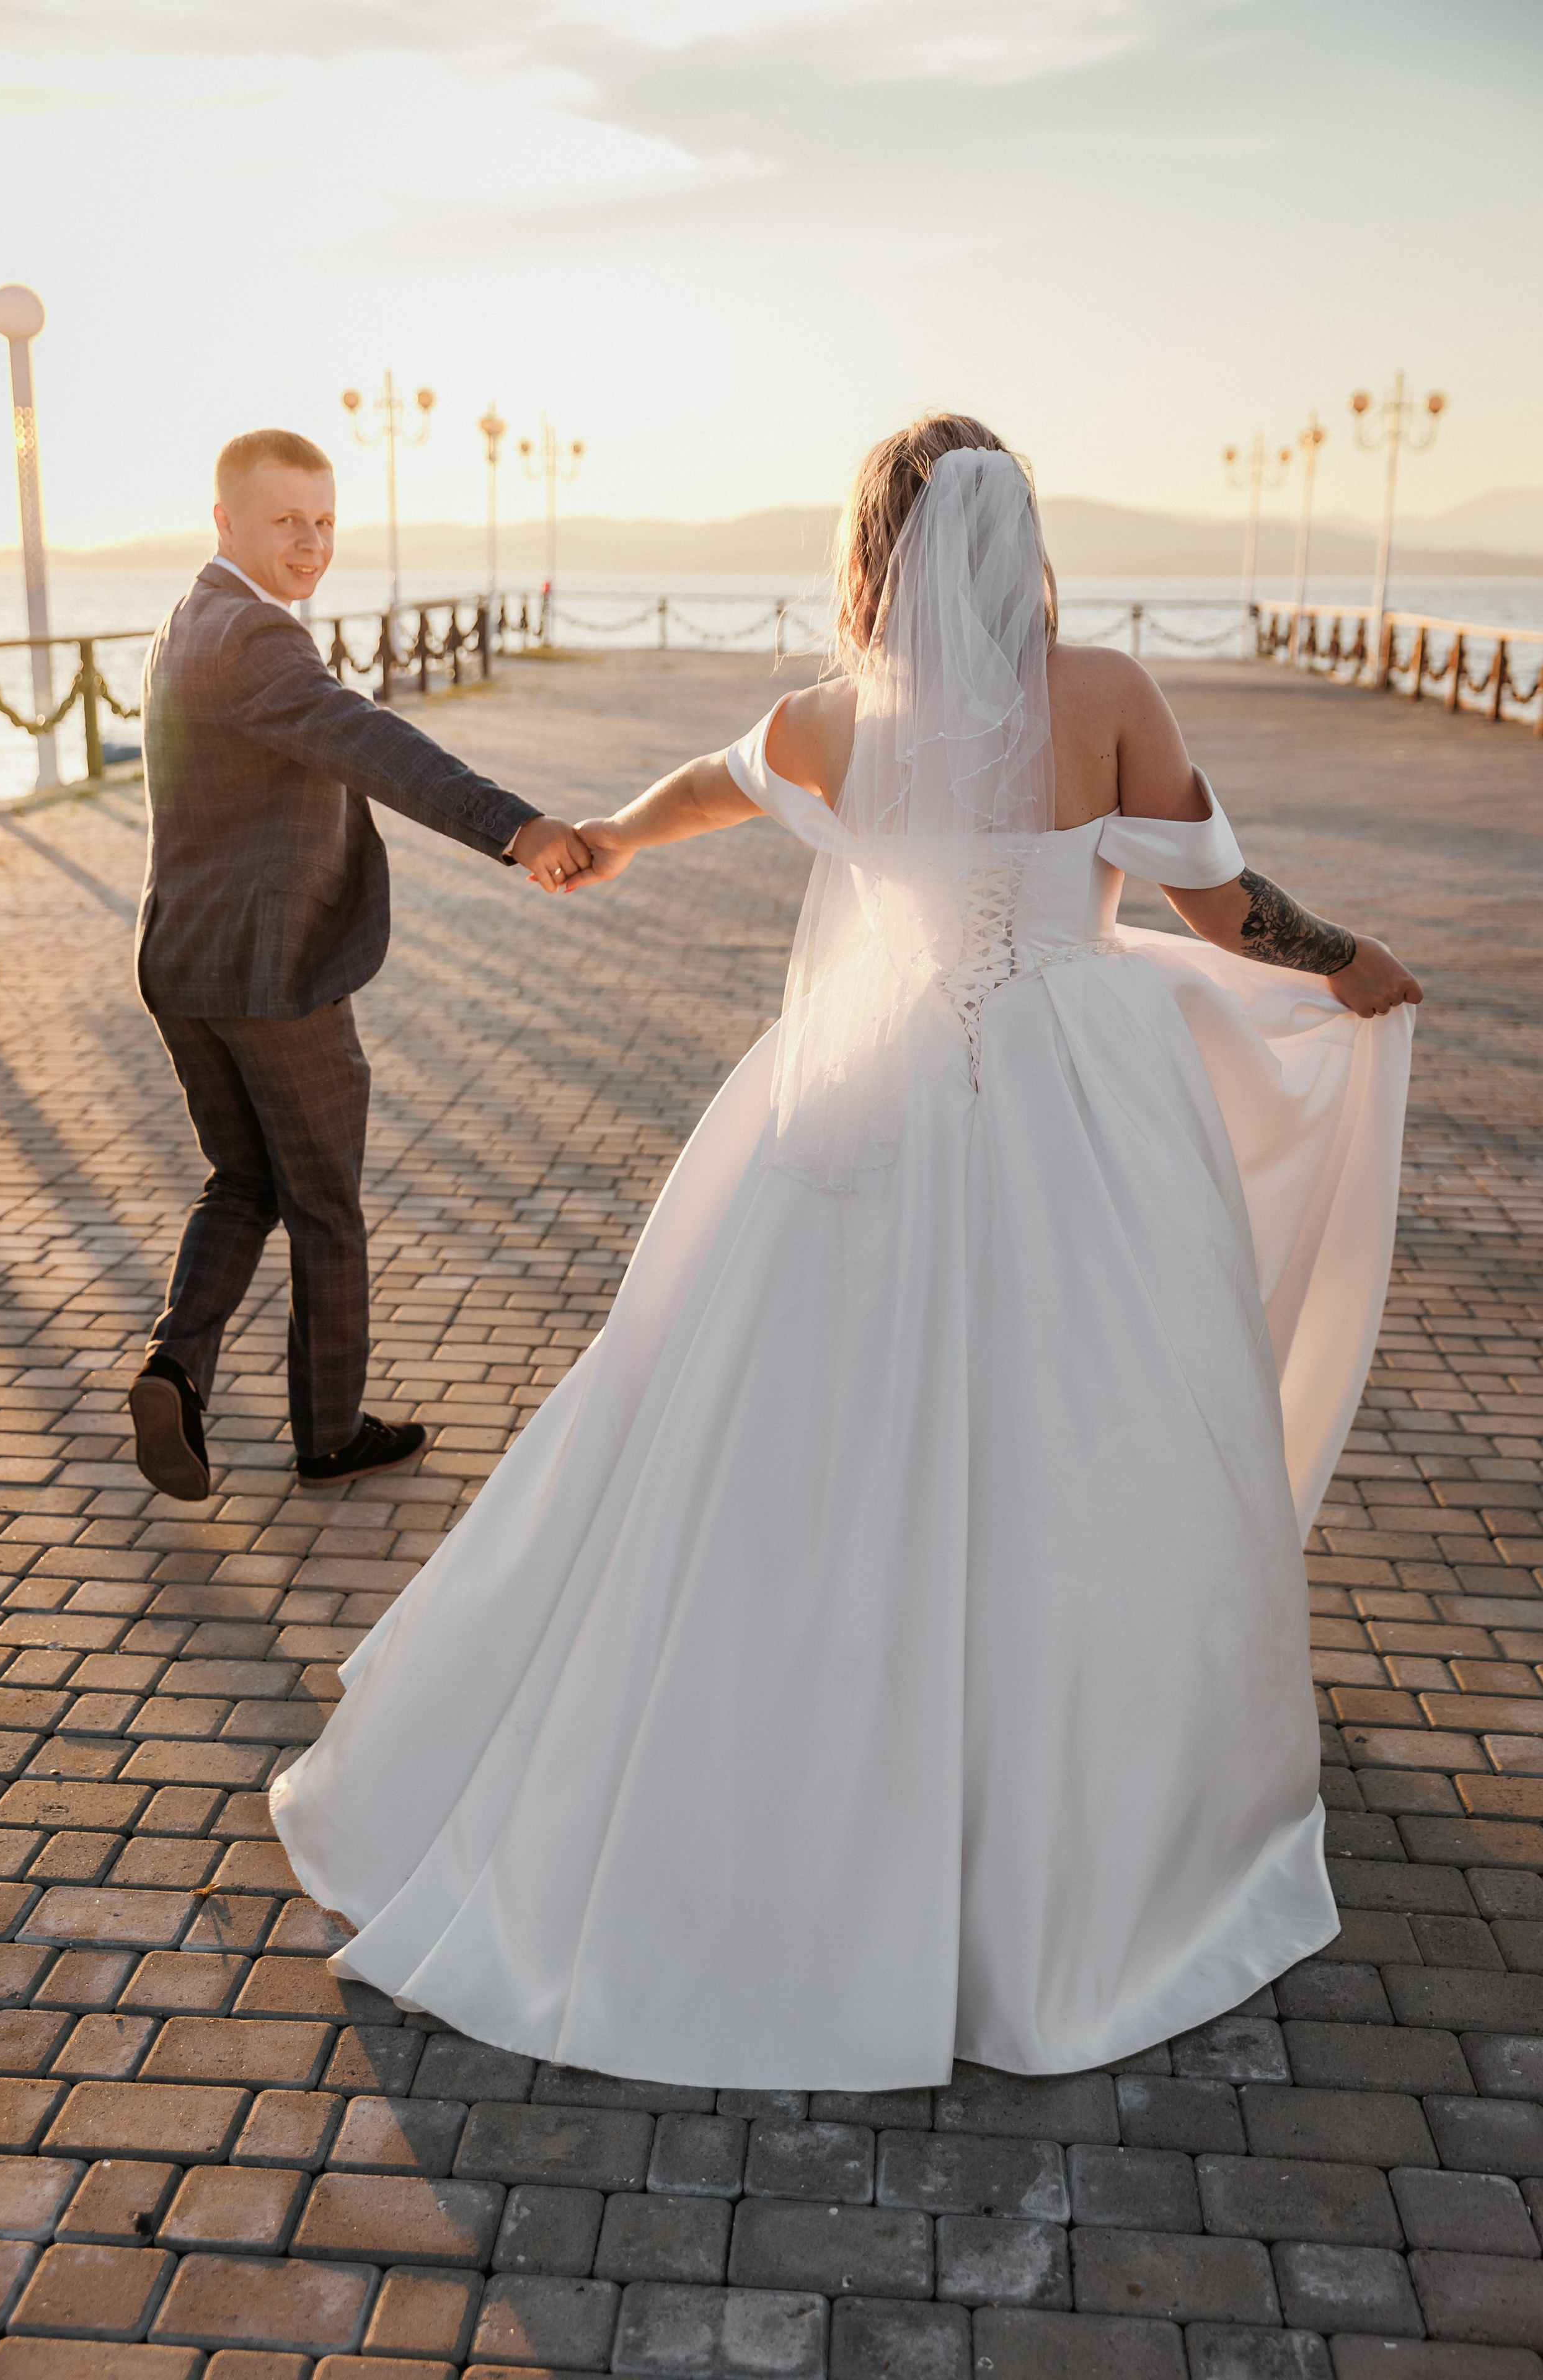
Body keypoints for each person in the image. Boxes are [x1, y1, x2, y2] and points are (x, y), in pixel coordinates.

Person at [272, 415, 1420, 2089]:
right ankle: (1076, 1809)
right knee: (1087, 1429)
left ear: (872, 550)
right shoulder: (1099, 691)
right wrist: (1351, 962)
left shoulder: (833, 716)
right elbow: (1225, 908)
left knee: (801, 1428)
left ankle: (817, 1767)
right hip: (1075, 1099)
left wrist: (596, 835)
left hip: (868, 1095)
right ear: (1018, 535)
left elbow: (710, 787)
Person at [130, 428, 592, 1504]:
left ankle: (173, 1368)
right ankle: (329, 1434)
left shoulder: (184, 624)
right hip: (270, 973)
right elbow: (374, 742)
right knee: (326, 1205)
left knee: (242, 1183)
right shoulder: (256, 638)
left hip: (180, 959)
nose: (312, 542)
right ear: (227, 521)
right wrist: (514, 826)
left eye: (327, 521)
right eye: (288, 520)